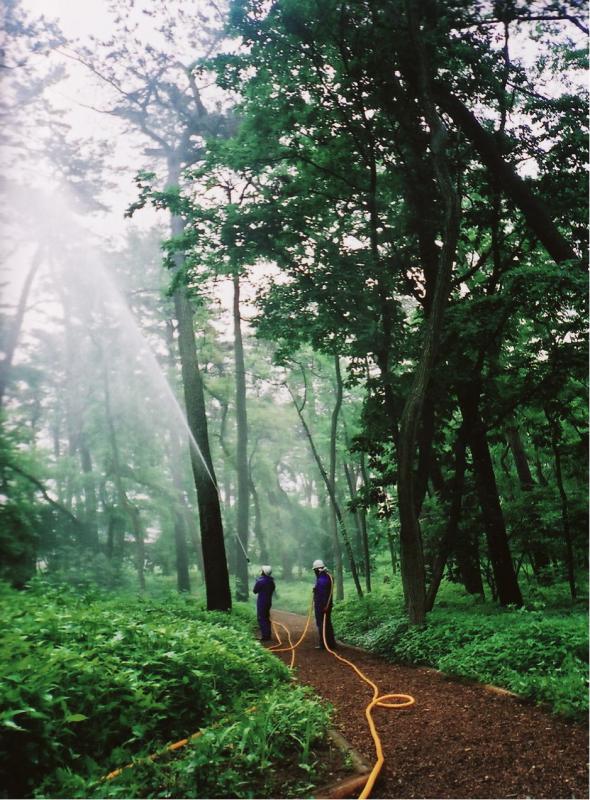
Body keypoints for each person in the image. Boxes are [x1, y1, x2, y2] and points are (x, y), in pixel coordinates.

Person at [312, 559, 337, 650]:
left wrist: (324, 606)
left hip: (322, 606)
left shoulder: (322, 580)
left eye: (314, 570)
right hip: (326, 605)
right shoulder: (327, 576)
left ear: (318, 570)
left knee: (322, 624)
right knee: (327, 623)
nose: (314, 572)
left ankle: (324, 644)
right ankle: (331, 644)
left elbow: (323, 594)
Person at [253, 565, 275, 642]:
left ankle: (265, 637)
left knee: (261, 618)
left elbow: (255, 591)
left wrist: (257, 583)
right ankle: (268, 635)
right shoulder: (271, 581)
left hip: (262, 602)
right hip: (268, 601)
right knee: (266, 617)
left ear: (263, 572)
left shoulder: (260, 581)